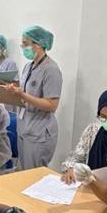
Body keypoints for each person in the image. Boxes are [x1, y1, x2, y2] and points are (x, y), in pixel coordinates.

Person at [6, 25, 62, 169]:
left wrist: (22, 94)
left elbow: (51, 105)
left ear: (38, 45)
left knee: (34, 173)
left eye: (26, 44)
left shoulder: (51, 70)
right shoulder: (28, 67)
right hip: (24, 126)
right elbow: (24, 93)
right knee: (22, 170)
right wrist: (9, 92)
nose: (23, 47)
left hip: (39, 131)